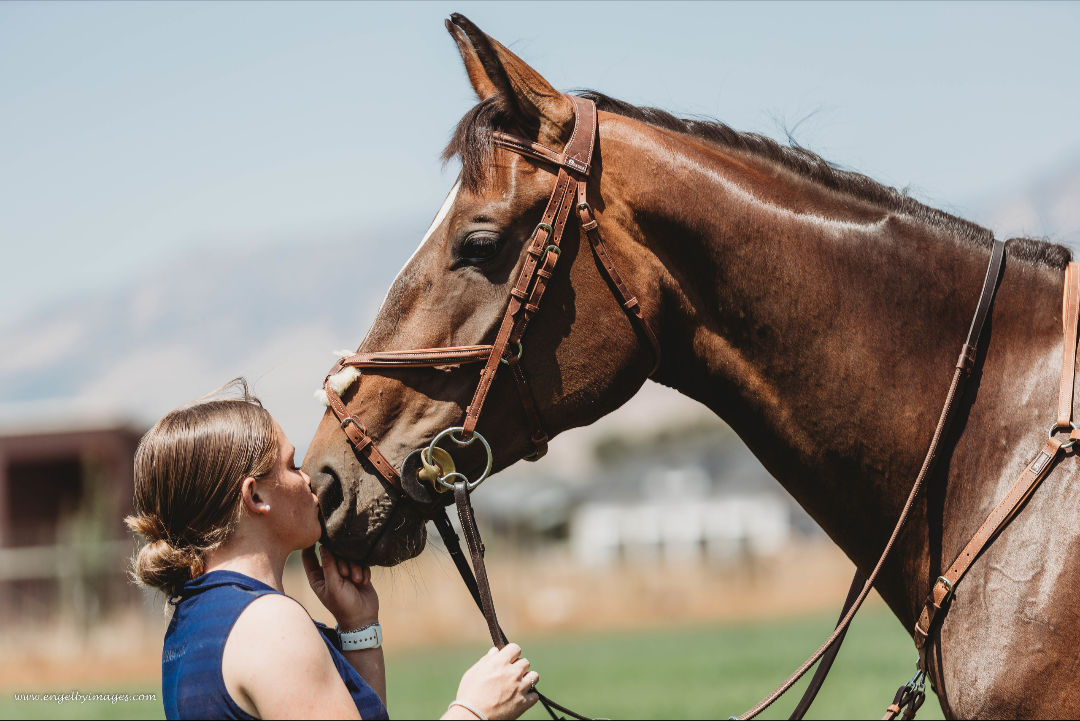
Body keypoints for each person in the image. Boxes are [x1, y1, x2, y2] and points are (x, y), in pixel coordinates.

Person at [126, 380, 538, 720]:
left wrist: (358, 627)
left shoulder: (192, 623)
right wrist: (475, 711)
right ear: (255, 498)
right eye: (290, 465)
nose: (307, 478)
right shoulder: (269, 625)